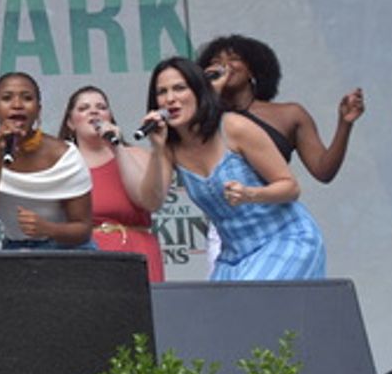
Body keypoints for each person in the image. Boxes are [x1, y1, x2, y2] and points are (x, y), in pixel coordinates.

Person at [138, 56, 326, 280]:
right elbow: (151, 202)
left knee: (249, 299)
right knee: (214, 305)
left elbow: (290, 187)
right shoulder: (170, 149)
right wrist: (157, 149)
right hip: (233, 256)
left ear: (198, 92)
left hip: (284, 238)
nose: (170, 99)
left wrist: (250, 194)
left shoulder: (233, 127)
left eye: (179, 88)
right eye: (162, 92)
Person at [196, 34, 365, 179]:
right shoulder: (199, 117)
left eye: (234, 59)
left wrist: (345, 124)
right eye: (216, 62)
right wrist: (211, 92)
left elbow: (323, 171)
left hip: (276, 205)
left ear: (252, 70)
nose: (225, 66)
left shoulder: (290, 114)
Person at [0, 72, 94, 250]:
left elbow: (83, 229)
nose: (17, 105)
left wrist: (48, 229)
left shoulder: (65, 155)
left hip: (66, 252)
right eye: (7, 98)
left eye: (27, 98)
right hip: (15, 249)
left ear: (38, 110)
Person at [58, 85, 165, 282]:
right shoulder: (62, 166)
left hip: (136, 253)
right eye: (84, 108)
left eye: (101, 107)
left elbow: (146, 201)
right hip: (85, 261)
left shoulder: (137, 155)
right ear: (71, 123)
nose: (94, 111)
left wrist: (118, 148)